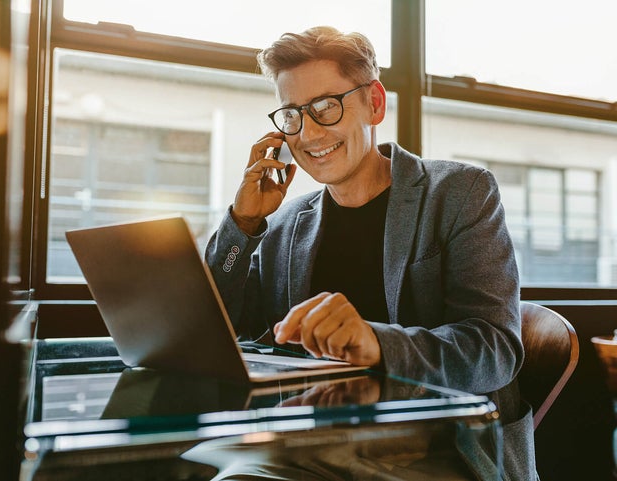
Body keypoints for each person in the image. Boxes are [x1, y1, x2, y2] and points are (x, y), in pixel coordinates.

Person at [205, 26, 537, 479]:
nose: (308, 133)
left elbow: (494, 350)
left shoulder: (460, 193)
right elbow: (226, 334)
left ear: (374, 103)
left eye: (326, 107)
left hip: (442, 445)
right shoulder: (284, 224)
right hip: (316, 441)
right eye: (292, 115)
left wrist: (377, 344)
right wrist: (243, 225)